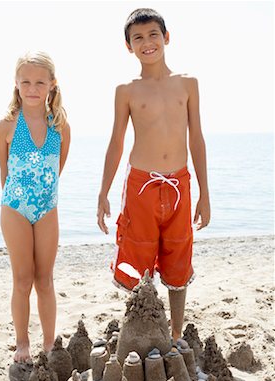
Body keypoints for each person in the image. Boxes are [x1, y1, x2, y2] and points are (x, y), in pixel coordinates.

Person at [97, 8, 210, 343]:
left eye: (153, 35)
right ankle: (140, 329)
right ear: (129, 46)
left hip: (179, 182)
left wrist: (204, 192)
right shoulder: (126, 91)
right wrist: (103, 192)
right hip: (140, 184)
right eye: (138, 38)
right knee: (137, 252)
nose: (147, 43)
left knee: (178, 254)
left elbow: (197, 139)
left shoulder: (187, 84)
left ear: (167, 37)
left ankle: (175, 334)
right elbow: (116, 141)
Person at [0, 51, 70, 363]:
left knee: (45, 279)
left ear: (52, 84)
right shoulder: (7, 126)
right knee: (22, 279)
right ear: (16, 84)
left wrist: (42, 201)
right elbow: (4, 172)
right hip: (15, 208)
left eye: (40, 82)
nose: (32, 88)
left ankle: (49, 344)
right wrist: (18, 203)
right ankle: (22, 343)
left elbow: (56, 170)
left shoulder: (61, 127)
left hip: (47, 209)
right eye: (26, 81)